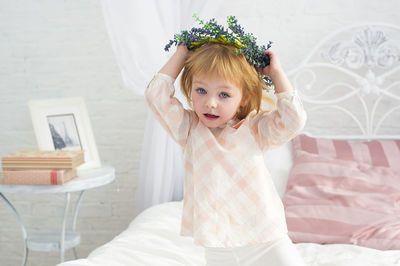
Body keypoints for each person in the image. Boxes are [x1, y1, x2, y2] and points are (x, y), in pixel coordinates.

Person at [145, 41, 307, 265]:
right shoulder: (190, 129)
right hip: (218, 242)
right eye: (201, 90)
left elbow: (293, 120)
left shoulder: (256, 129)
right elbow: (156, 96)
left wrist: (276, 74)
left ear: (244, 98)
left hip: (265, 236)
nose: (210, 103)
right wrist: (180, 56)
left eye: (224, 95)